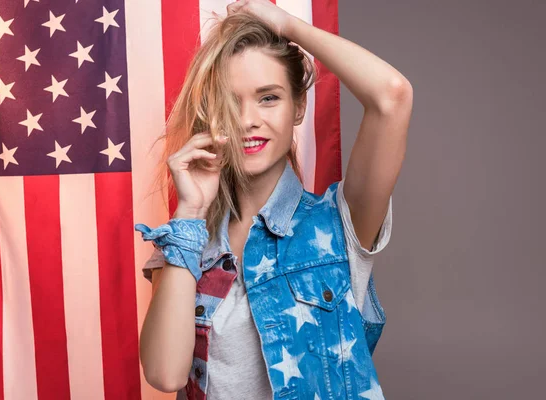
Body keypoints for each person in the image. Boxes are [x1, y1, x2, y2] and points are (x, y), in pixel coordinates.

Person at [135, 1, 412, 399]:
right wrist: (191, 213)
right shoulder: (184, 242)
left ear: (299, 106)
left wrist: (286, 25)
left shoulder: (337, 222)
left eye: (269, 98)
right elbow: (164, 375)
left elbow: (393, 96)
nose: (248, 119)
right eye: (231, 102)